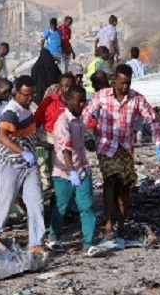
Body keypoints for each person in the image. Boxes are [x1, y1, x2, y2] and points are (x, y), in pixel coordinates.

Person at [83, 63, 160, 239]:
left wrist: (158, 143)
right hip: (106, 146)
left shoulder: (137, 99)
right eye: (122, 83)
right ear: (114, 81)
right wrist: (80, 136)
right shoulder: (102, 96)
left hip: (125, 148)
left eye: (128, 83)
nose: (125, 87)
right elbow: (85, 115)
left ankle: (121, 222)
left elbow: (153, 119)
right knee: (110, 180)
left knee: (124, 186)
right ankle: (108, 223)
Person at [0, 75, 46, 256]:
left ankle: (36, 242)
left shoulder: (28, 109)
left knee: (36, 202)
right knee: (5, 200)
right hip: (10, 163)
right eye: (26, 95)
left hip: (28, 165)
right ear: (17, 93)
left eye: (31, 95)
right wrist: (22, 152)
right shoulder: (11, 112)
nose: (29, 98)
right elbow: (2, 136)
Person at [49, 84, 97, 252]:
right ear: (69, 100)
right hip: (64, 172)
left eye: (84, 101)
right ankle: (54, 237)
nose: (82, 105)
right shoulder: (63, 122)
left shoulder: (81, 119)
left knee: (86, 206)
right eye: (78, 101)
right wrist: (71, 171)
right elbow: (66, 149)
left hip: (82, 169)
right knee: (61, 207)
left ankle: (89, 242)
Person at [34, 73, 76, 193]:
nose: (66, 89)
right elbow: (36, 120)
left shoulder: (77, 102)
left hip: (70, 144)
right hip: (49, 142)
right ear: (59, 86)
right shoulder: (50, 101)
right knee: (48, 178)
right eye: (64, 86)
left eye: (69, 86)